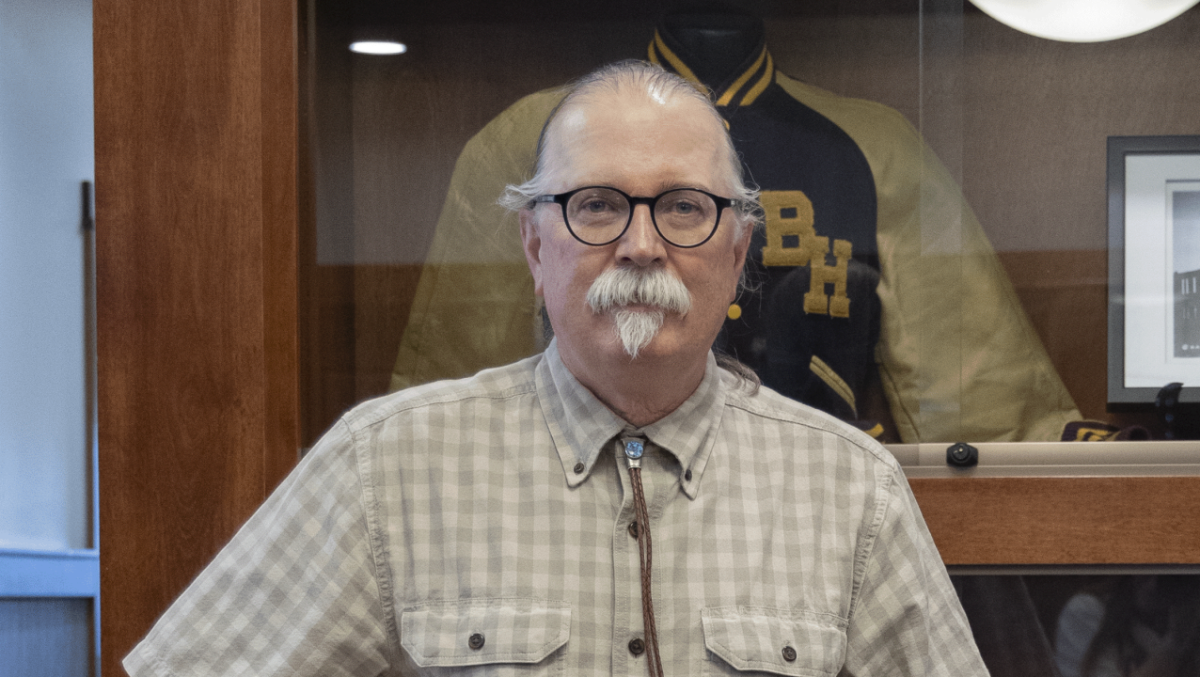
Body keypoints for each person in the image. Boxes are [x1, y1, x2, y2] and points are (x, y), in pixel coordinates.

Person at [124, 61, 987, 676]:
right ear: (534, 247)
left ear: (736, 254)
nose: (641, 244)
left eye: (684, 207)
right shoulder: (384, 469)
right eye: (598, 204)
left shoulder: (853, 494)